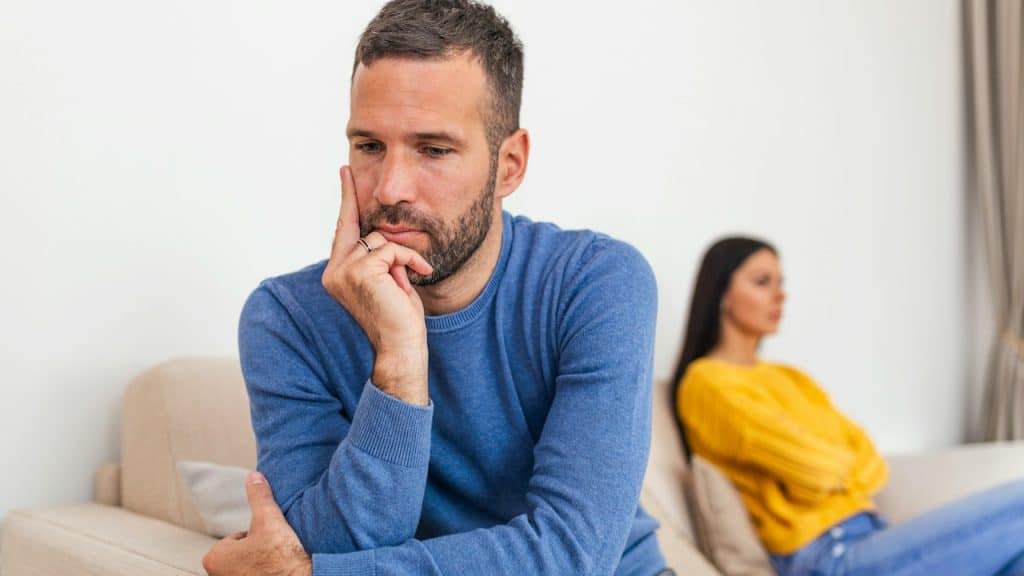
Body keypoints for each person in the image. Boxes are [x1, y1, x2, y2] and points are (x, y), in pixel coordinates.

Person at [201, 1, 670, 575]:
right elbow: (326, 546)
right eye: (369, 146)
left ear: (510, 165)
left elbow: (572, 556)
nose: (391, 188)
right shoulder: (287, 319)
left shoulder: (597, 283)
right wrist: (399, 364)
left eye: (434, 150)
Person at [672, 236, 1024, 576]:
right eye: (763, 282)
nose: (780, 295)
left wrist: (835, 469)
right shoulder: (706, 383)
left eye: (781, 282)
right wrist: (839, 468)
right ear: (722, 293)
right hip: (828, 556)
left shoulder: (791, 377)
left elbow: (870, 459)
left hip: (873, 535)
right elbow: (817, 471)